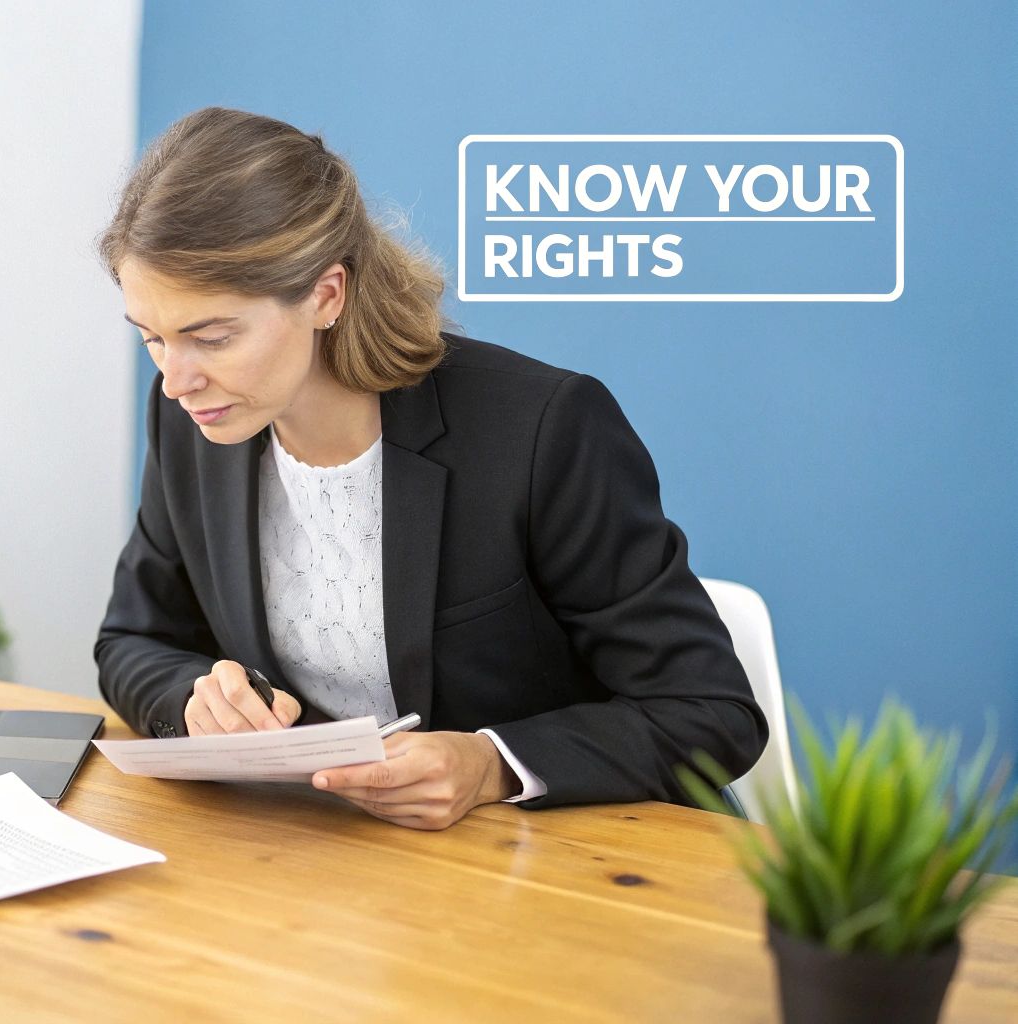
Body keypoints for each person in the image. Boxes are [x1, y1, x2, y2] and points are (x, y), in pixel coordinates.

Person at [94, 107, 767, 830]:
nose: (175, 378)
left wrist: (492, 765)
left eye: (212, 336)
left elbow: (709, 711)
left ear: (326, 295)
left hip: (557, 857)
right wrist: (198, 696)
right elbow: (134, 641)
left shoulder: (541, 428)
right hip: (339, 858)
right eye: (152, 339)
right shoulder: (195, 419)